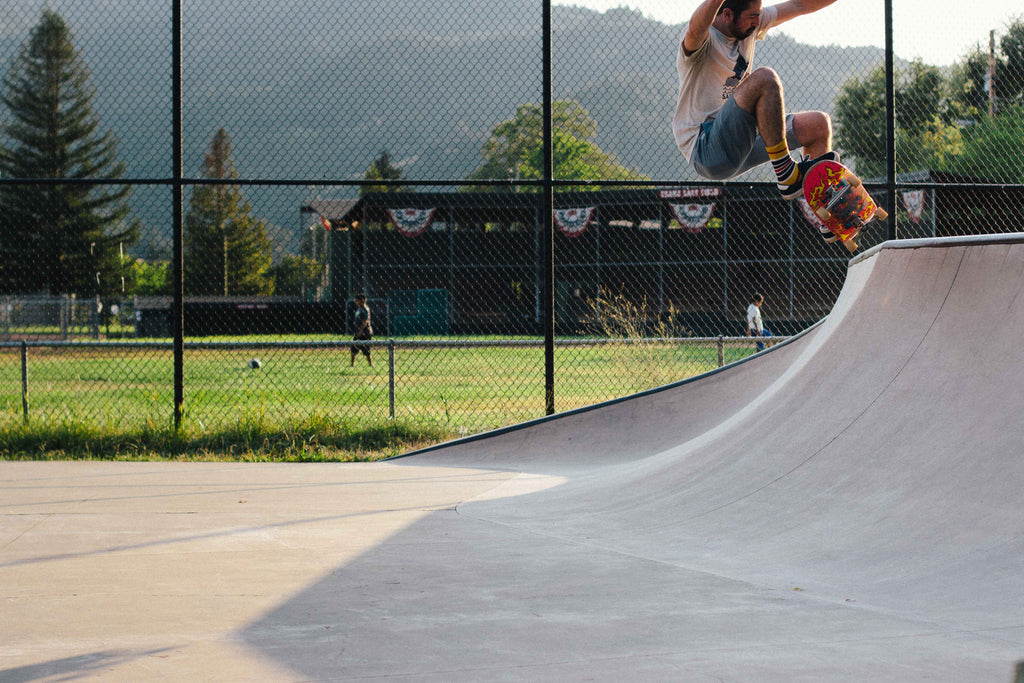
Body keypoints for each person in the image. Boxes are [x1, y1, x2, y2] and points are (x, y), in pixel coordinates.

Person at [673, 0, 840, 217]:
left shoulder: (752, 24)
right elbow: (695, 28)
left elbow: (800, 5)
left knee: (818, 125)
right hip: (706, 148)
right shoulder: (703, 41)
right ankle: (787, 175)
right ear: (727, 14)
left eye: (758, 16)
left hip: (741, 139)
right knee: (764, 78)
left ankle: (830, 216)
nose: (756, 22)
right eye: (751, 17)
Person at [350, 293, 373, 367]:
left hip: (364, 333)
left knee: (366, 349)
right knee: (353, 347)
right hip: (358, 332)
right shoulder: (359, 308)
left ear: (361, 300)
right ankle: (352, 364)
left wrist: (360, 331)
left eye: (357, 301)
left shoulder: (365, 309)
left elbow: (365, 321)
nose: (356, 302)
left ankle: (370, 364)